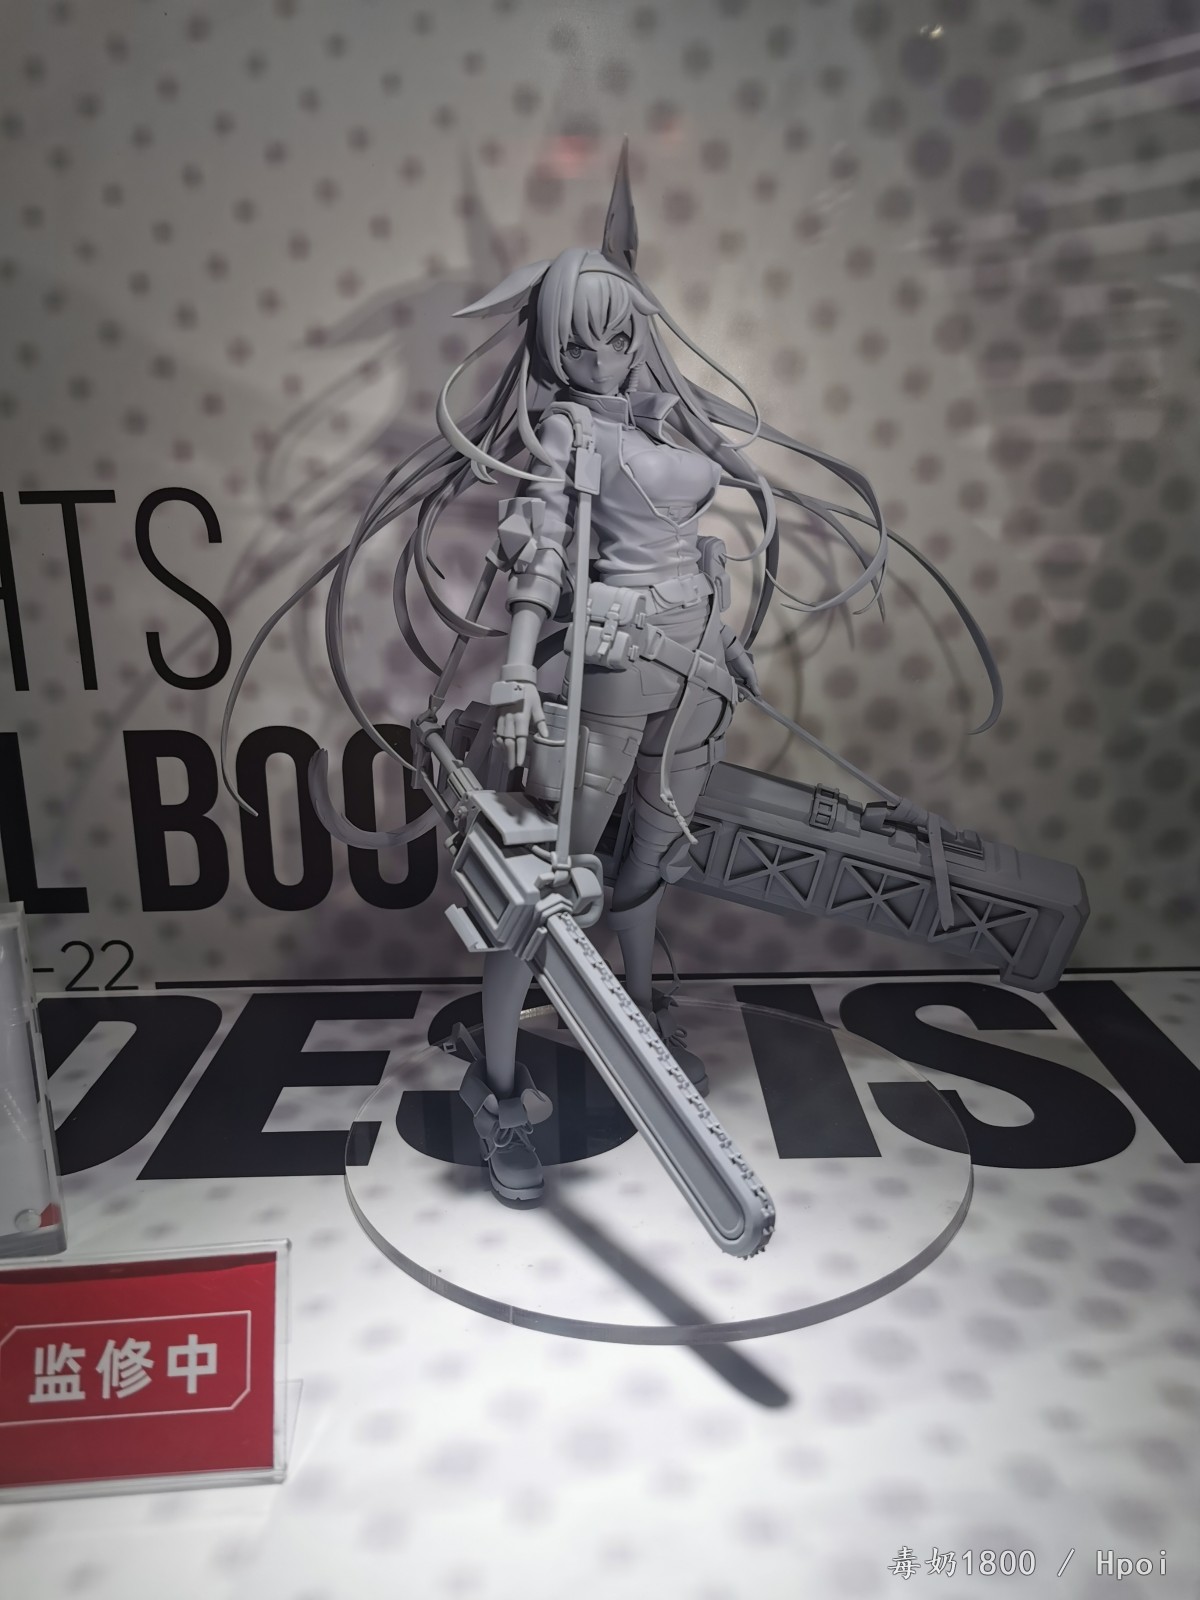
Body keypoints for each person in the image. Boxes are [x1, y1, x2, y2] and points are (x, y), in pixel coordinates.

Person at [221, 144, 998, 1211]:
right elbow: (539, 549)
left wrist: (721, 502)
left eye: (618, 334)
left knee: (652, 862)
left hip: (699, 668)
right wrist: (516, 669)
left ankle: (641, 1008)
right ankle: (501, 1086)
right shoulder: (566, 434)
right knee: (540, 893)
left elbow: (731, 502)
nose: (601, 357)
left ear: (641, 329)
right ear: (551, 347)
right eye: (578, 342)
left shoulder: (667, 418)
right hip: (612, 670)